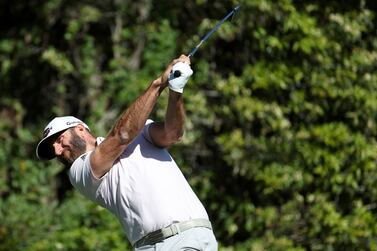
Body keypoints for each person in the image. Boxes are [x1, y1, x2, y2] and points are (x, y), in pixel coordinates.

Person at [36, 55, 218, 250]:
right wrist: (158, 84)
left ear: (80, 129)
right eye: (52, 149)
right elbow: (122, 135)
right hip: (161, 245)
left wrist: (176, 90)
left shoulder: (141, 132)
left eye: (59, 139)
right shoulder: (78, 172)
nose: (56, 150)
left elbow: (172, 134)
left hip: (202, 237)